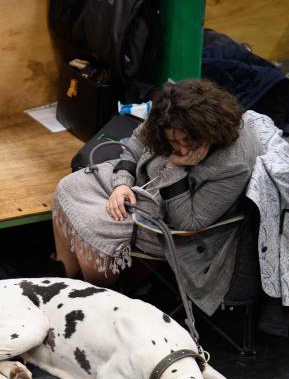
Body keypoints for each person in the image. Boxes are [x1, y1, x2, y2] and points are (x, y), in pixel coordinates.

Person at [52, 79, 262, 316]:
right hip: (147, 182)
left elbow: (189, 223)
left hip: (180, 227)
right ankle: (66, 282)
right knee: (69, 186)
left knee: (96, 222)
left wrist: (174, 167)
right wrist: (122, 183)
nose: (182, 149)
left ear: (208, 131)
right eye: (174, 142)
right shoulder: (170, 116)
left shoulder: (232, 164)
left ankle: (93, 298)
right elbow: (138, 139)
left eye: (189, 142)